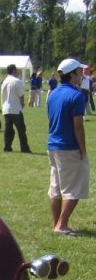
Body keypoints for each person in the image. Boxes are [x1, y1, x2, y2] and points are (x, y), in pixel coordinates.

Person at [47, 58, 90, 236]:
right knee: (74, 188)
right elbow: (78, 126)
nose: (82, 75)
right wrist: (83, 149)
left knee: (56, 188)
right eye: (79, 72)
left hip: (53, 145)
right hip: (69, 146)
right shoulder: (77, 95)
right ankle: (62, 225)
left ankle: (56, 223)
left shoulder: (53, 93)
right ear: (72, 74)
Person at [1, 64, 31, 153]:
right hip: (15, 108)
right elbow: (21, 96)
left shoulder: (4, 81)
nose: (18, 71)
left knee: (8, 129)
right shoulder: (17, 81)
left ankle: (7, 147)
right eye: (17, 70)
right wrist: (22, 104)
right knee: (21, 130)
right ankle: (24, 148)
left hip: (6, 108)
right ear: (14, 71)